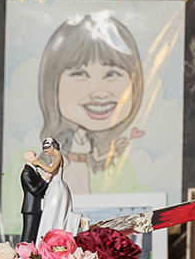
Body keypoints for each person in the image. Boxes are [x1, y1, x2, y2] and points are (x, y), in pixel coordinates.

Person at [32, 12, 148, 195]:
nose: (100, 92)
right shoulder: (28, 165)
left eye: (112, 74)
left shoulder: (127, 170)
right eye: (80, 74)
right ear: (52, 83)